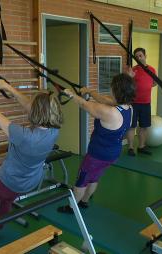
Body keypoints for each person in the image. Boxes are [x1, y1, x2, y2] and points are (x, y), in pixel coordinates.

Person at [0, 80, 63, 247]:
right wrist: (8, 88)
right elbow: (29, 106)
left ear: (36, 113)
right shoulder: (54, 130)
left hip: (9, 179)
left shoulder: (24, 135)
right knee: (7, 202)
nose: (29, 106)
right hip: (29, 181)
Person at [57, 73, 135, 213]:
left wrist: (70, 94)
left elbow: (84, 104)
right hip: (112, 153)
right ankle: (85, 201)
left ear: (116, 89)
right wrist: (88, 91)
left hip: (97, 154)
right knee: (94, 177)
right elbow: (104, 99)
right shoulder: (128, 108)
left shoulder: (110, 112)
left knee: (82, 179)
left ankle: (72, 208)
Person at [126, 47, 156, 156]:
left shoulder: (152, 70)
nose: (138, 58)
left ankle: (141, 146)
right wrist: (129, 77)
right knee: (131, 126)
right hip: (133, 103)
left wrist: (146, 87)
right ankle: (130, 148)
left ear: (145, 56)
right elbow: (126, 86)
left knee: (144, 126)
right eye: (136, 56)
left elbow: (155, 83)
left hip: (146, 103)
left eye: (140, 56)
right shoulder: (133, 70)